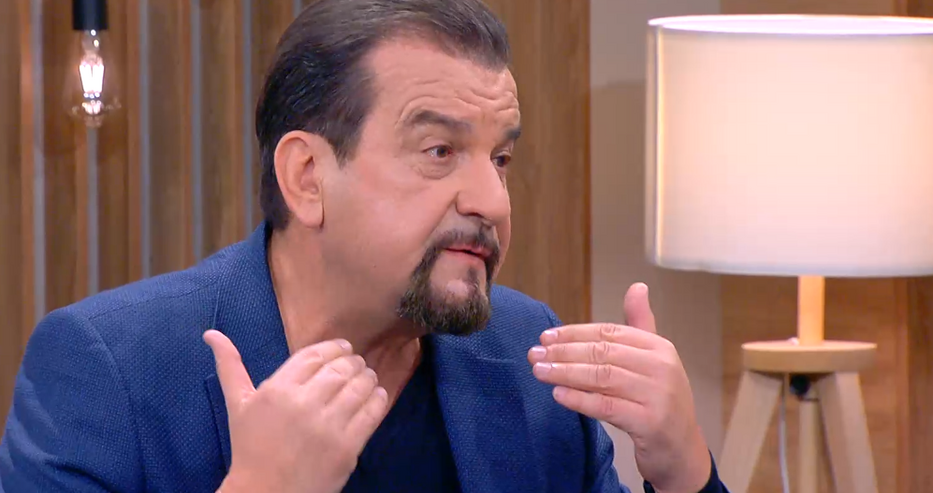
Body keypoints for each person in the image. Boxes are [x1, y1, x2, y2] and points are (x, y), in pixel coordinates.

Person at [0, 1, 729, 492]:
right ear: (307, 177)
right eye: (440, 151)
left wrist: (682, 470)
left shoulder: (527, 357)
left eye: (500, 159)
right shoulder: (111, 370)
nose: (493, 201)